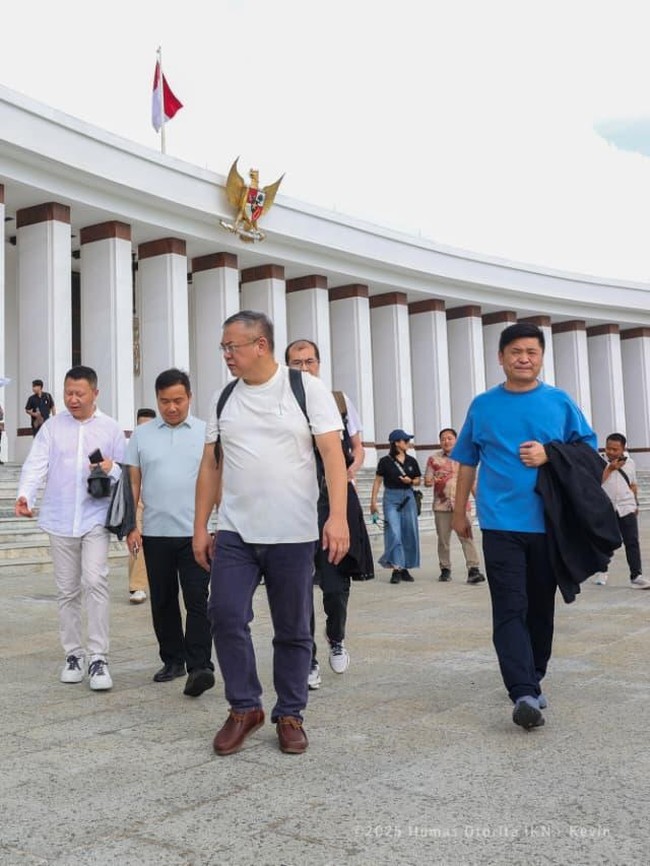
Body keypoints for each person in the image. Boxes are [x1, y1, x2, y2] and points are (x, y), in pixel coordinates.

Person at [193, 310, 349, 756]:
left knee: (293, 627)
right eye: (223, 347)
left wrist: (336, 517)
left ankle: (290, 713)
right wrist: (200, 525)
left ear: (260, 345)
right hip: (237, 531)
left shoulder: (305, 389)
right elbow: (210, 464)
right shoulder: (225, 397)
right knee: (224, 614)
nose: (226, 354)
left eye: (232, 346)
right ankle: (244, 707)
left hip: (294, 531)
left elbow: (333, 457)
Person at [451, 322, 597, 730]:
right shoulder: (482, 405)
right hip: (499, 524)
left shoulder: (559, 401)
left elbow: (589, 452)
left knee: (539, 607)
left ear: (541, 357)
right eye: (515, 351)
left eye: (531, 351)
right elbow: (466, 460)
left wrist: (550, 454)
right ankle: (523, 691)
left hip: (549, 524)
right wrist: (460, 511)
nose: (523, 358)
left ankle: (535, 672)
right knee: (509, 606)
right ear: (501, 358)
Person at [15, 365, 125, 690]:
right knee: (66, 591)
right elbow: (36, 464)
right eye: (68, 393)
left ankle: (99, 657)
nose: (72, 399)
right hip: (60, 518)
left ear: (95, 393)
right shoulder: (52, 427)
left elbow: (127, 472)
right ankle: (73, 654)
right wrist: (25, 494)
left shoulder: (111, 428)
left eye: (79, 394)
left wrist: (112, 467)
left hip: (95, 517)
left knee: (95, 581)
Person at [285, 338, 373, 691]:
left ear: (319, 364)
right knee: (299, 585)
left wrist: (350, 471)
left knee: (335, 587)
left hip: (334, 501)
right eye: (296, 363)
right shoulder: (283, 402)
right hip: (295, 502)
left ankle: (336, 637)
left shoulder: (337, 400)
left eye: (309, 362)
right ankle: (308, 657)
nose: (304, 368)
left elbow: (357, 447)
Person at [126, 370, 215, 697]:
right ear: (157, 400)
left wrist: (213, 526)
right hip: (155, 533)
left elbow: (217, 480)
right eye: (165, 401)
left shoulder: (206, 432)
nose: (172, 407)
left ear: (189, 397)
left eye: (178, 400)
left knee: (197, 600)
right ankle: (173, 660)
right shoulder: (142, 435)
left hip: (196, 534)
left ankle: (201, 666)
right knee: (162, 601)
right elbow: (133, 481)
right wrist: (131, 524)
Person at [424, 427, 485, 584]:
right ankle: (445, 569)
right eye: (443, 438)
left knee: (467, 536)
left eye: (449, 438)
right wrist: (434, 480)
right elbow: (427, 481)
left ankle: (473, 569)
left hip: (461, 504)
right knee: (443, 540)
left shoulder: (464, 457)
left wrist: (479, 500)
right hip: (441, 505)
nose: (446, 441)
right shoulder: (433, 459)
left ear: (456, 440)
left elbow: (472, 481)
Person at [595, 433, 649, 588]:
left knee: (632, 542)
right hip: (607, 508)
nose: (611, 452)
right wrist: (610, 468)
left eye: (615, 449)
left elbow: (633, 484)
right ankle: (602, 570)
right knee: (605, 541)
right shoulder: (600, 462)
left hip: (626, 507)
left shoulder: (630, 463)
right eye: (608, 448)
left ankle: (636, 576)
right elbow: (595, 484)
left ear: (623, 449)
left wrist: (636, 503)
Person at [370, 430, 422, 584]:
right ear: (396, 443)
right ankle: (396, 567)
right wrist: (373, 502)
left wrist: (411, 482)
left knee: (409, 531)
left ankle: (404, 566)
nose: (407, 443)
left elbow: (418, 479)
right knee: (393, 531)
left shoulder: (412, 461)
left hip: (408, 496)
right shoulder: (385, 461)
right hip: (391, 497)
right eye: (405, 440)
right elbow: (378, 481)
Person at [127, 408, 156, 604]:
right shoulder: (130, 446)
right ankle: (137, 586)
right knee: (137, 541)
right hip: (137, 501)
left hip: (160, 501)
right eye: (141, 425)